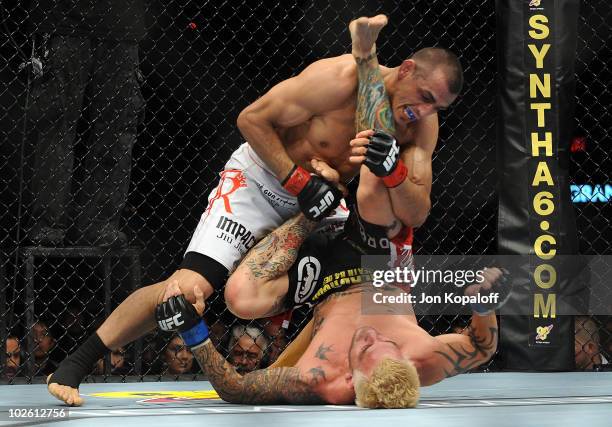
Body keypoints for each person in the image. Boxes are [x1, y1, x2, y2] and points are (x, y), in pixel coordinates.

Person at [47, 14, 462, 405]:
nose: (425, 111)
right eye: (425, 97)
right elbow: (251, 120)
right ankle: (74, 366)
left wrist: (392, 172)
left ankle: (286, 371)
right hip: (261, 183)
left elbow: (416, 211)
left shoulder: (420, 124)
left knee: (341, 289)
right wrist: (296, 181)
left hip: (322, 201)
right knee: (188, 288)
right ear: (406, 69)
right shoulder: (336, 79)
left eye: (437, 107)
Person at [156, 156, 503, 407]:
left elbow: (235, 388)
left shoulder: (317, 379)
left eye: (367, 348)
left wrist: (195, 335)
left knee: (241, 298)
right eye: (390, 343)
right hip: (380, 270)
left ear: (351, 380)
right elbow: (482, 347)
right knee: (372, 191)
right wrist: (485, 305)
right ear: (406, 359)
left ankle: (317, 209)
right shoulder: (423, 359)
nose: (372, 334)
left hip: (321, 282)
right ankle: (378, 128)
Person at [27, 0, 145, 246]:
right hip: (64, 20)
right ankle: (49, 224)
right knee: (56, 125)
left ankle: (100, 225)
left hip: (120, 23)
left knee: (118, 129)